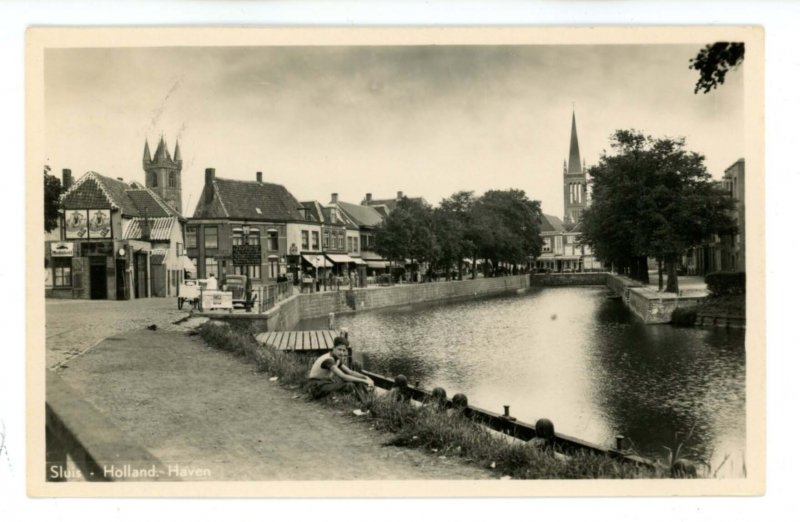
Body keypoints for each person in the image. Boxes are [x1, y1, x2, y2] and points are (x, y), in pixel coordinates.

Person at [307, 337, 373, 405]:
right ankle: (364, 405)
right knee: (349, 385)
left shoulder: (336, 359)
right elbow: (343, 376)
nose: (341, 353)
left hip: (325, 384)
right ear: (333, 348)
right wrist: (364, 380)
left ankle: (368, 400)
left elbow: (350, 372)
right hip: (316, 387)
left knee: (357, 381)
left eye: (344, 350)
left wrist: (366, 377)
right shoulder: (328, 360)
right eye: (339, 349)